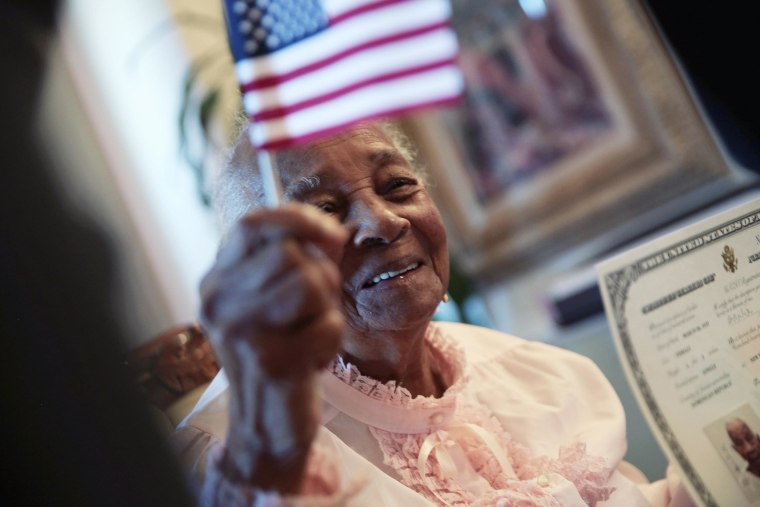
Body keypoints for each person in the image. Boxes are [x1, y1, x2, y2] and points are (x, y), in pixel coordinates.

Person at [170, 119, 694, 506]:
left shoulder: (534, 371)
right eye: (324, 211)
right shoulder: (240, 462)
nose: (383, 221)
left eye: (397, 185)